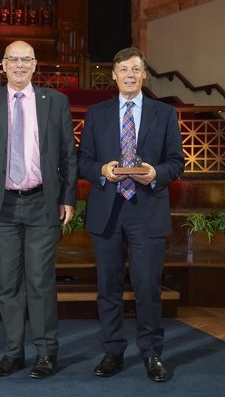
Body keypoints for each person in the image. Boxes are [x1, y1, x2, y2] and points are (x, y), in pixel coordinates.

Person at [0, 40, 78, 379]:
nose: (20, 65)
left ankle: (45, 353)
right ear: (3, 65)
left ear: (35, 65)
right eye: (13, 59)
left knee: (40, 281)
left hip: (42, 202)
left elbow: (68, 155)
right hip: (2, 205)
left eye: (26, 59)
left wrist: (68, 198)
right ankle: (13, 353)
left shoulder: (55, 101)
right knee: (7, 284)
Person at [78, 47, 184, 382]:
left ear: (144, 75)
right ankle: (113, 352)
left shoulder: (164, 113)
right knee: (108, 287)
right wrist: (102, 170)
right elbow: (83, 161)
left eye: (136, 69)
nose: (129, 75)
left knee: (147, 286)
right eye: (123, 69)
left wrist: (155, 174)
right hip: (107, 210)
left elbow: (176, 162)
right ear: (113, 75)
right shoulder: (96, 114)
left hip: (146, 209)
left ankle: (152, 353)